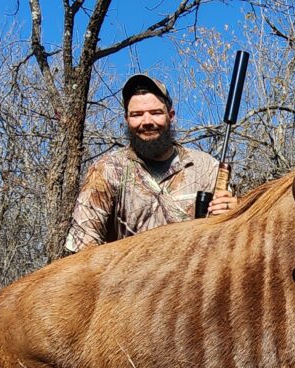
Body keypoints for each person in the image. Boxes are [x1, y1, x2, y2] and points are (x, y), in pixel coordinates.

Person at [65, 74, 238, 253]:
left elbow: (230, 243)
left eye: (156, 113)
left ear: (171, 116)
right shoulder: (107, 169)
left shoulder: (207, 168)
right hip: (128, 270)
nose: (147, 122)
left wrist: (235, 216)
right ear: (127, 119)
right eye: (137, 115)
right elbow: (83, 246)